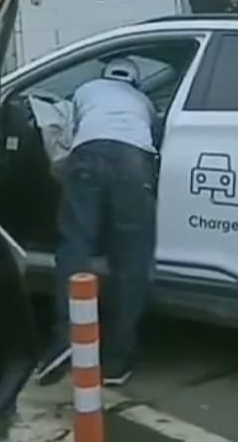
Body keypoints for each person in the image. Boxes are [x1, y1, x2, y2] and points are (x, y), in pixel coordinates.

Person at [36, 56, 159, 387]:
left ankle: (64, 339)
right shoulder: (144, 102)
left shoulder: (86, 90)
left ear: (105, 75)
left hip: (87, 154)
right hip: (134, 161)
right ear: (133, 82)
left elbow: (69, 131)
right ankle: (117, 360)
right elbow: (153, 136)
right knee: (131, 259)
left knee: (75, 245)